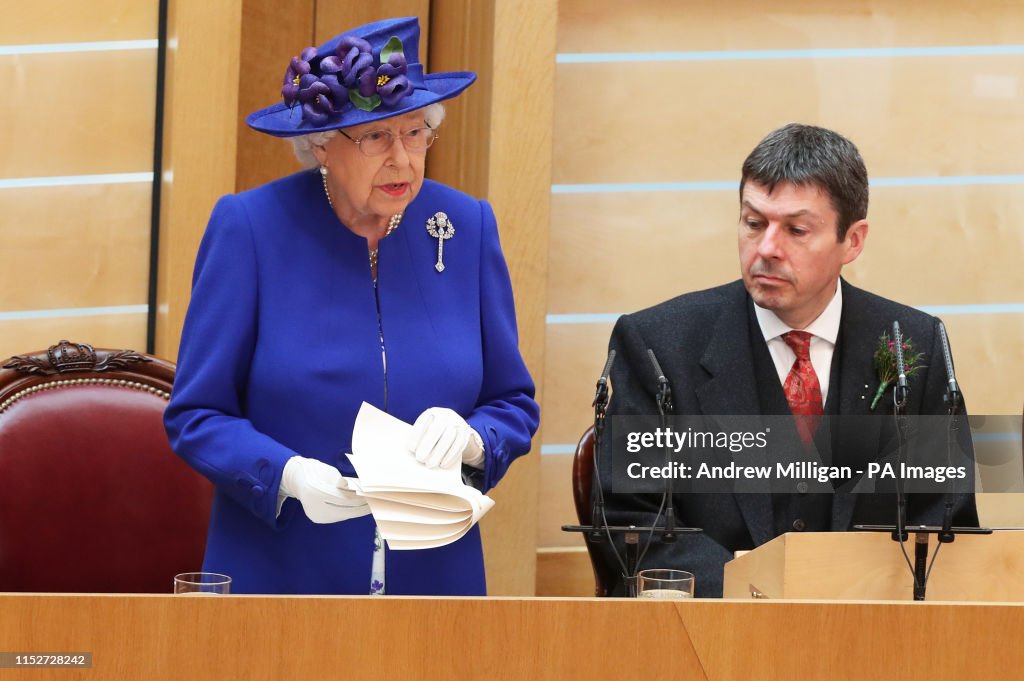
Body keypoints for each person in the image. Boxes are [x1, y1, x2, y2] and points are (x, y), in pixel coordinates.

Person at [164, 17, 539, 596]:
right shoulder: (250, 229)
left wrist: (473, 438)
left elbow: (512, 402)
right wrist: (285, 475)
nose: (403, 160)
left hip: (434, 586)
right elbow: (196, 415)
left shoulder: (465, 227)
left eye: (416, 133)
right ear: (319, 145)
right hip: (283, 580)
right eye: (376, 138)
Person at [596, 123, 977, 597]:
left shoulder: (910, 347)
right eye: (754, 223)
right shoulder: (658, 346)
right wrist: (759, 594)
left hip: (867, 636)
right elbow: (632, 528)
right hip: (713, 636)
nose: (767, 249)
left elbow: (941, 527)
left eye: (796, 230)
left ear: (853, 241)